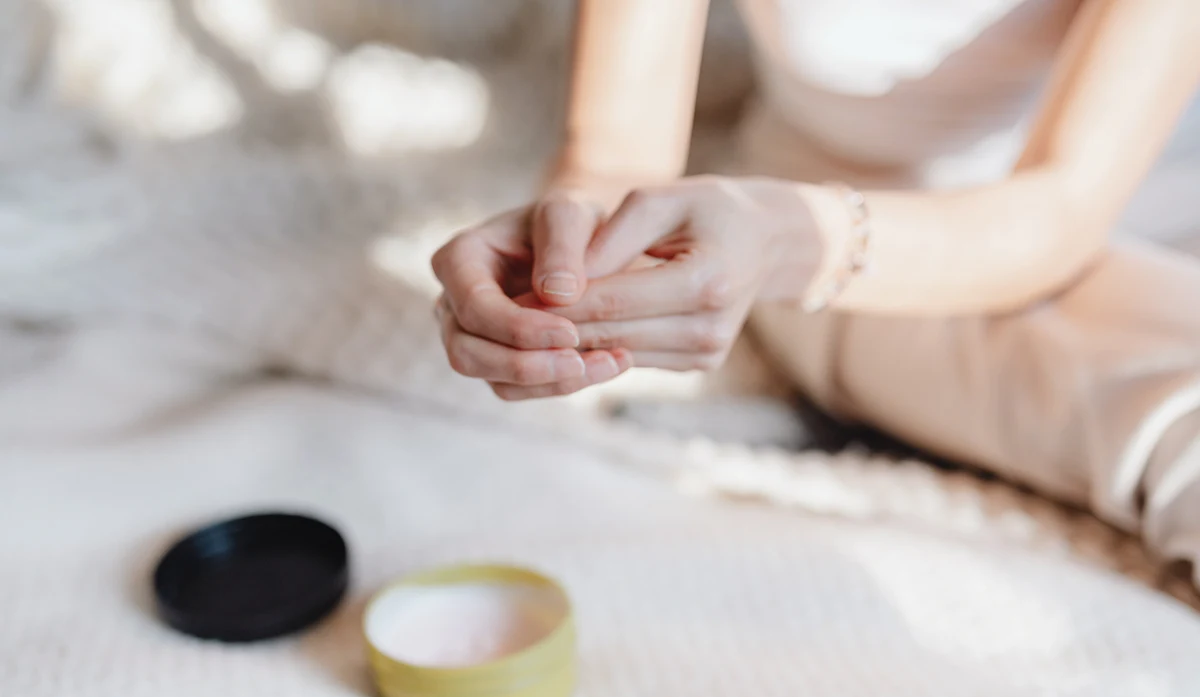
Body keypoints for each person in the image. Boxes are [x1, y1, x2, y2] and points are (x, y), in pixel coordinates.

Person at [430, 0, 1200, 568]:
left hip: (1097, 208)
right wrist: (570, 244)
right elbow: (614, 157)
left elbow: (1058, 212)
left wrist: (790, 239)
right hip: (859, 236)